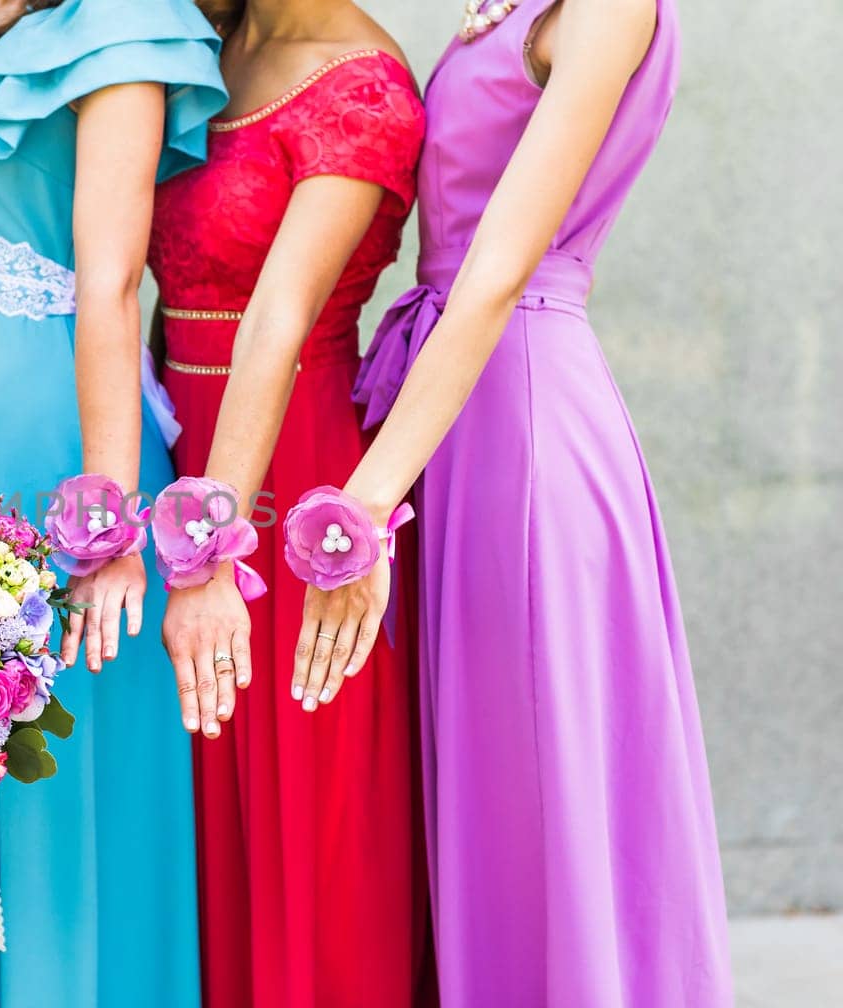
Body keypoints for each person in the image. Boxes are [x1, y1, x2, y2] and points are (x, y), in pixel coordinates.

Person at [307, 0, 734, 1003]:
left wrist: (363, 507)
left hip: (521, 424)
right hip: (451, 408)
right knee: (492, 798)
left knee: (538, 791)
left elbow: (496, 271)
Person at [0, 1, 227, 1004]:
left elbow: (113, 284)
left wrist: (107, 523)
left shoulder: (125, 30)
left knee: (49, 767)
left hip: (58, 451)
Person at [145, 2, 431, 1004]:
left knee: (301, 802)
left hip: (288, 483)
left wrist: (209, 551)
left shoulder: (360, 84)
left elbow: (277, 318)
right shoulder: (210, 45)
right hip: (175, 456)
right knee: (194, 808)